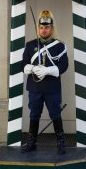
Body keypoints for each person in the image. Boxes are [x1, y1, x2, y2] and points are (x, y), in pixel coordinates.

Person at [22, 10, 68, 155]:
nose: (44, 30)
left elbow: (64, 66)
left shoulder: (59, 46)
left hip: (52, 88)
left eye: (46, 27)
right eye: (41, 27)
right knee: (34, 114)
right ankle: (31, 142)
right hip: (35, 87)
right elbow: (22, 64)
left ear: (51, 28)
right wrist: (32, 68)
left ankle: (61, 143)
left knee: (55, 114)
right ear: (38, 28)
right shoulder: (30, 45)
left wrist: (48, 70)